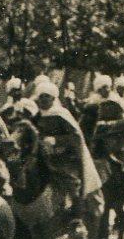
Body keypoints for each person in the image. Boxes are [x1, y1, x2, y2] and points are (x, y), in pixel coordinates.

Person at [32, 80, 104, 219]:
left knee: (72, 185)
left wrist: (56, 141)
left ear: (53, 98)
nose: (43, 99)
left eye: (46, 96)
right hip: (45, 158)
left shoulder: (61, 113)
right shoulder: (37, 116)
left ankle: (77, 216)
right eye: (41, 96)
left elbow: (75, 136)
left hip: (65, 159)